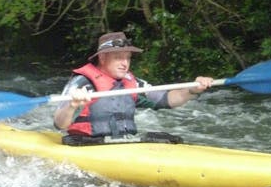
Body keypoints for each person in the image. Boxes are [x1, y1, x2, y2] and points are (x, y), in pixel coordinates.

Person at [53, 31, 213, 145]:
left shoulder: (132, 83)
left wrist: (193, 90)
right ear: (102, 58)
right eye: (118, 58)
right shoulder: (83, 82)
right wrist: (72, 105)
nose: (125, 63)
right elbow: (60, 124)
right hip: (88, 145)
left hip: (124, 145)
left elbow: (167, 100)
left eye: (128, 58)